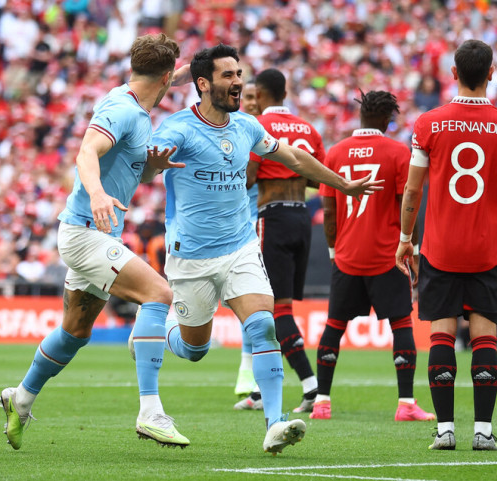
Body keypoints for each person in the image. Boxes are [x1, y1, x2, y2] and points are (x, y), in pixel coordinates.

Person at [152, 44, 383, 455]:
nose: (239, 81)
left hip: (241, 247)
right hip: (192, 255)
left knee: (263, 325)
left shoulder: (247, 127)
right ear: (203, 84)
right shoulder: (177, 128)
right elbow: (148, 161)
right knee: (194, 350)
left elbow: (293, 156)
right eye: (228, 75)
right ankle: (161, 328)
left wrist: (341, 184)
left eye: (239, 73)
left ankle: (275, 424)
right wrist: (153, 163)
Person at [0, 33, 190, 450]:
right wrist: (99, 193)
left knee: (75, 332)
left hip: (95, 232)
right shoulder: (122, 110)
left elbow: (123, 163)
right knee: (158, 293)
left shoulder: (137, 106)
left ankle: (21, 399)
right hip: (86, 232)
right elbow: (87, 152)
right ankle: (151, 411)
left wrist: (150, 169)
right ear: (165, 76)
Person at [395, 39, 497, 451]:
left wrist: (405, 239)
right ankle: (484, 432)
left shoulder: (430, 122)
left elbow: (413, 191)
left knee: (441, 335)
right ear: (492, 73)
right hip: (487, 249)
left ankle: (445, 430)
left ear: (453, 74)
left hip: (440, 249)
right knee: (485, 335)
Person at [310, 90, 435, 423]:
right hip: (387, 256)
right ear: (385, 119)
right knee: (401, 323)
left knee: (334, 325)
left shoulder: (335, 153)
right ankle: (406, 403)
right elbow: (407, 205)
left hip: (348, 256)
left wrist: (335, 251)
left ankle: (321, 402)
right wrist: (415, 249)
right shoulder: (397, 152)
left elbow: (329, 209)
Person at [234, 68, 324, 413]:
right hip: (302, 217)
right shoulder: (308, 129)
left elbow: (249, 178)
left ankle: (310, 385)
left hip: (271, 217)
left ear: (262, 93)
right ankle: (260, 392)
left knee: (272, 309)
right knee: (277, 307)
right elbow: (316, 175)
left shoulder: (261, 127)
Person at [233, 80, 261, 399]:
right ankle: (245, 367)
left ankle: (250, 370)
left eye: (255, 97)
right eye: (247, 97)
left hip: (263, 225)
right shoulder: (239, 133)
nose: (251, 102)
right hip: (241, 227)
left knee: (256, 300)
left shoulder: (265, 136)